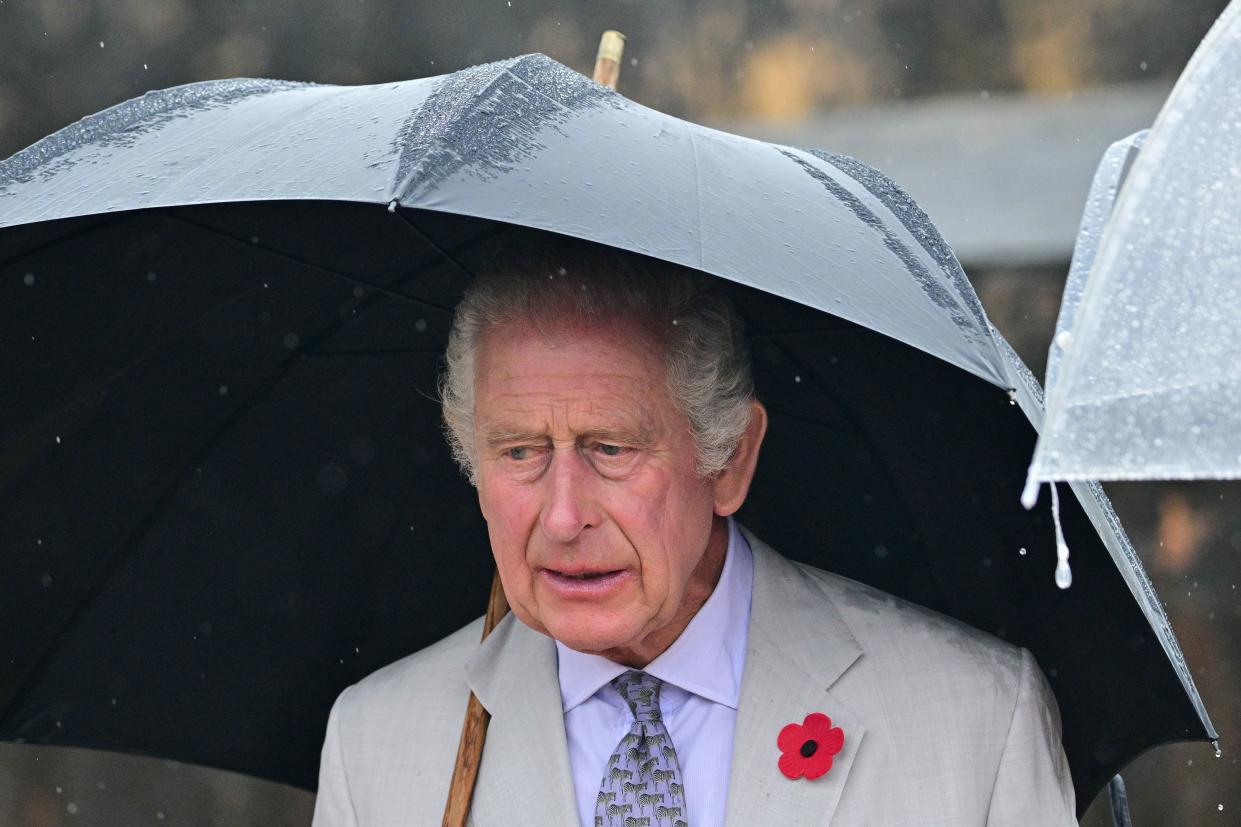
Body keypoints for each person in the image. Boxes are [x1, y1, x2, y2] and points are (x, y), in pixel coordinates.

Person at [311, 233, 1077, 826]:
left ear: (730, 459)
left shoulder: (971, 718)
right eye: (520, 452)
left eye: (610, 449)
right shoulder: (380, 740)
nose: (563, 514)